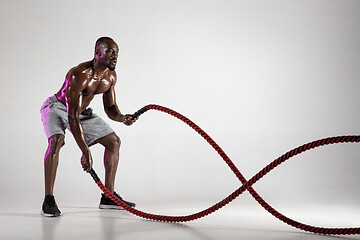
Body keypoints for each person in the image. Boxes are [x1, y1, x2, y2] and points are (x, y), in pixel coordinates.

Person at [40, 37, 137, 217]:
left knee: (114, 142)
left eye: (117, 52)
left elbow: (110, 108)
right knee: (56, 140)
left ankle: (108, 197)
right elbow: (71, 116)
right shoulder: (79, 74)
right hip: (57, 108)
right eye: (110, 51)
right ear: (97, 53)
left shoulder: (110, 77)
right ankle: (48, 199)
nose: (115, 56)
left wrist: (123, 117)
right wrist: (85, 150)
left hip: (81, 113)